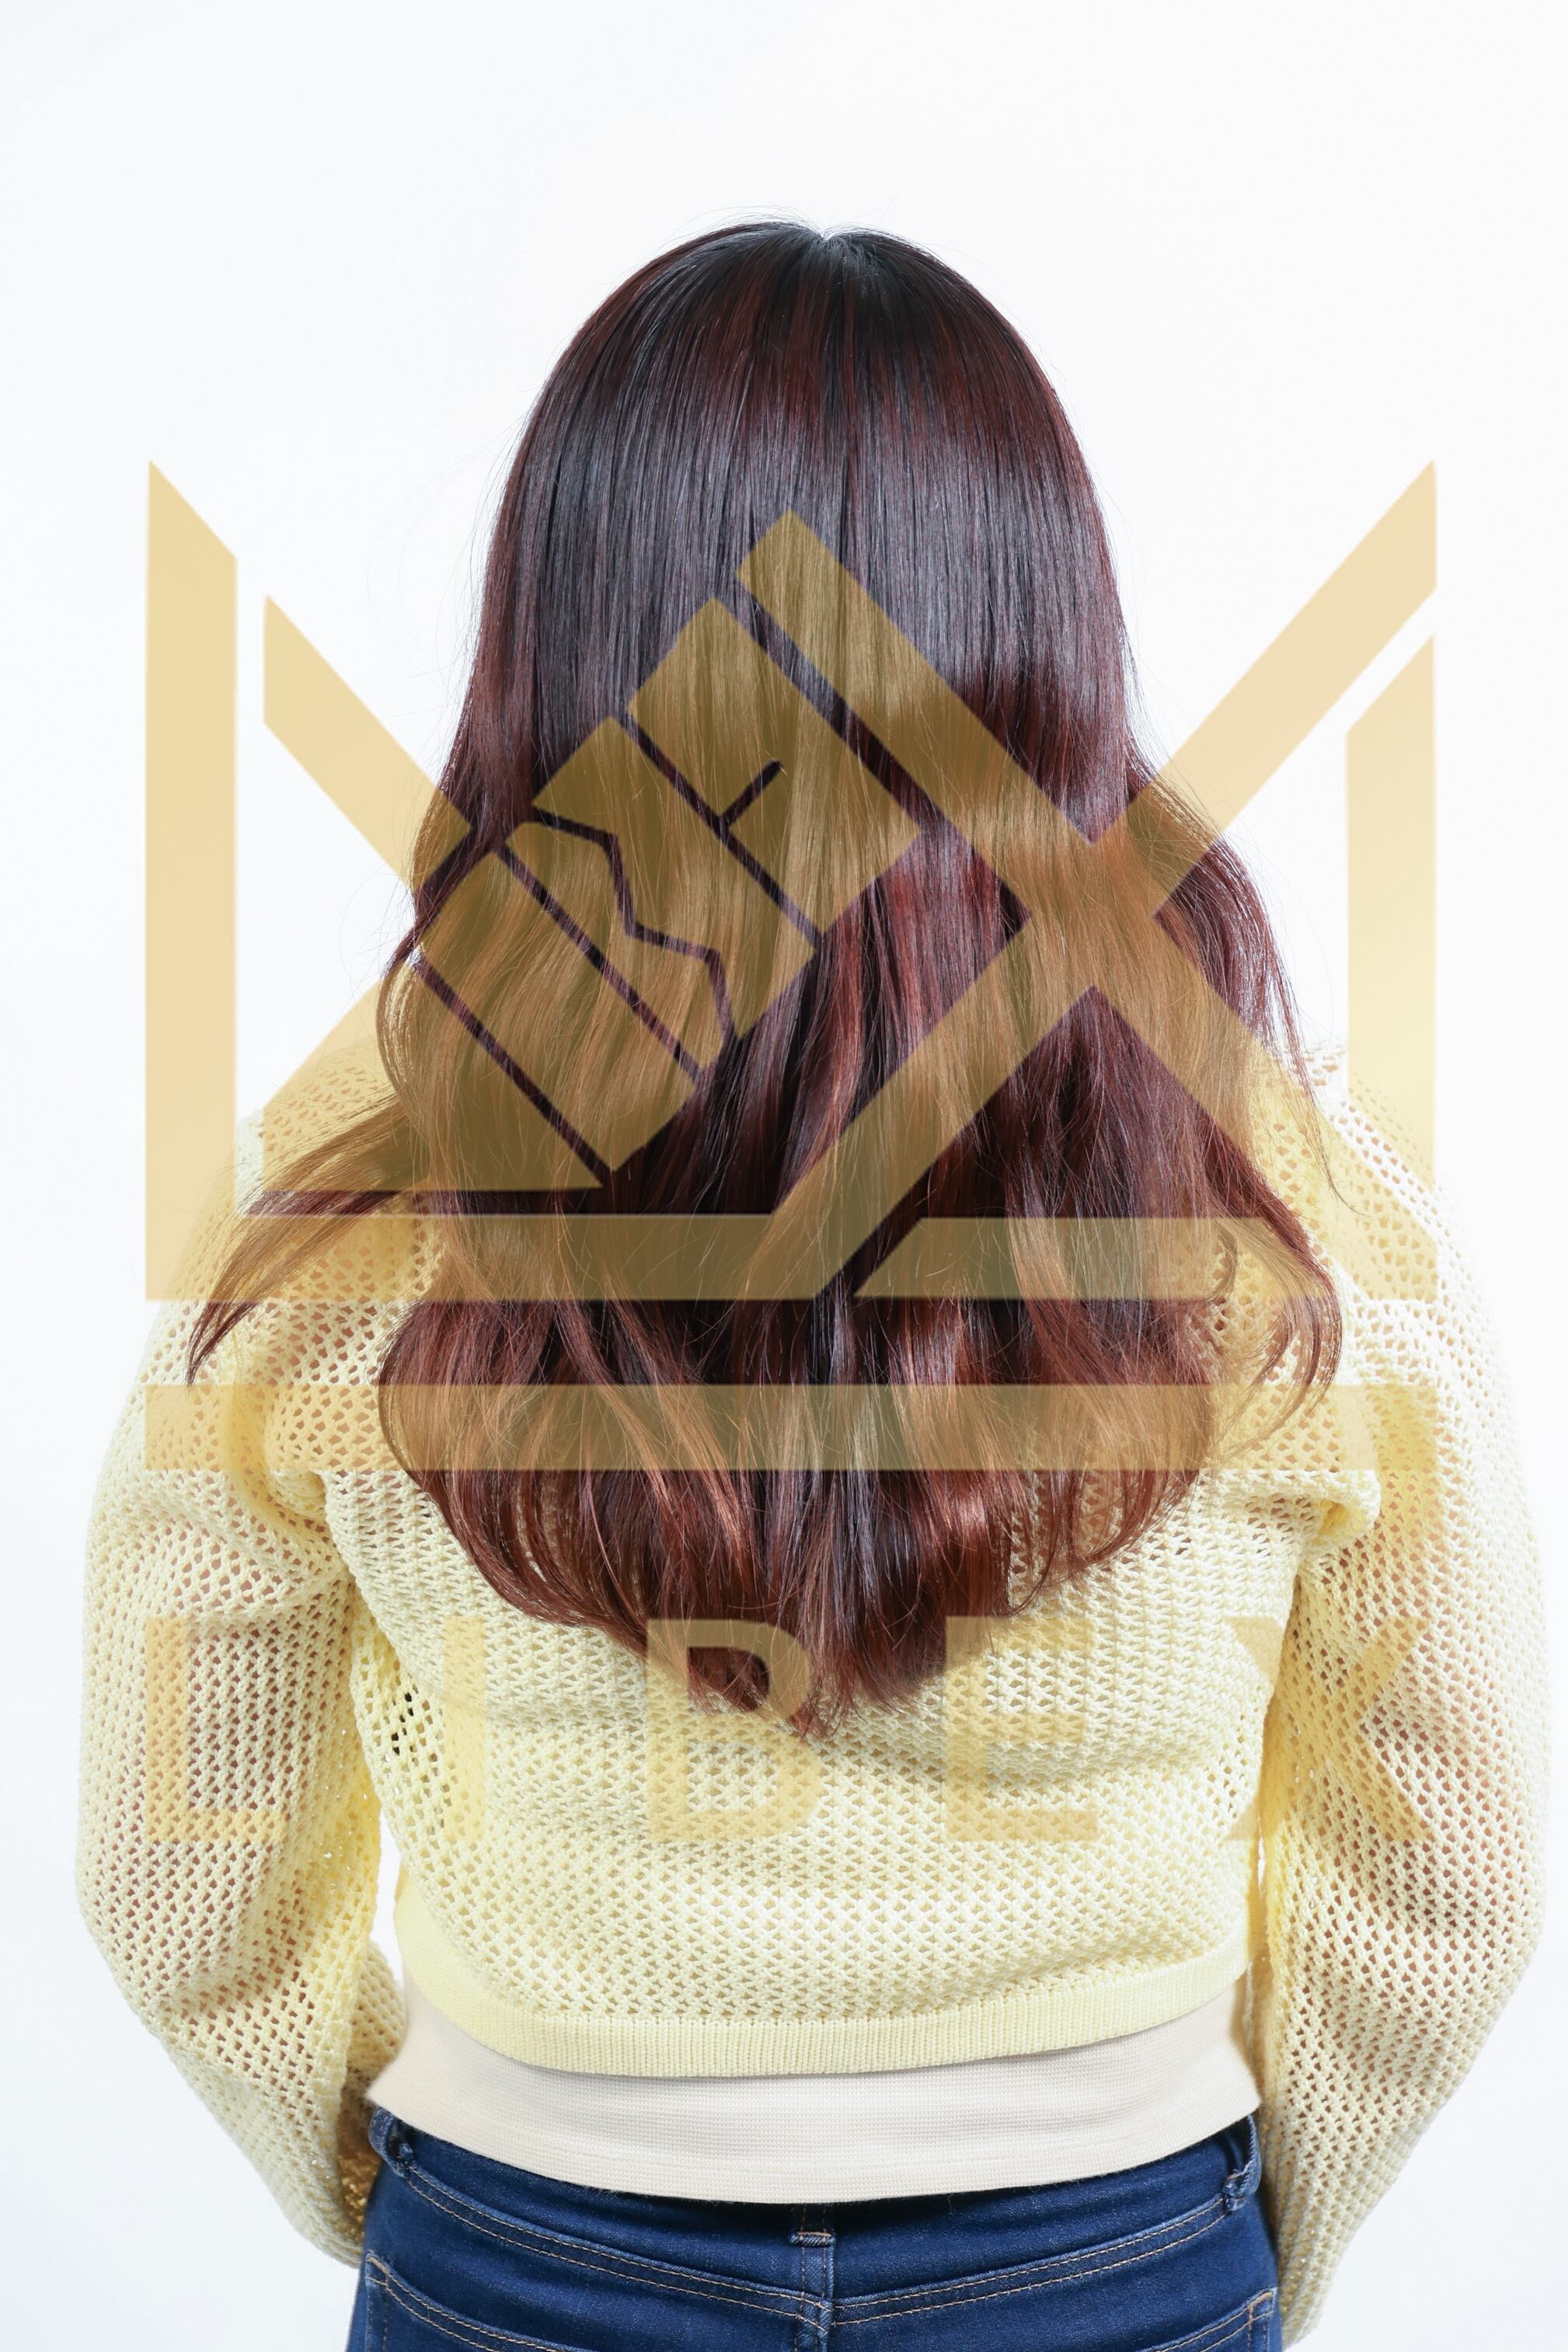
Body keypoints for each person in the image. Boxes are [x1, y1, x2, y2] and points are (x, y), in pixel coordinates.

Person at [77, 221, 1549, 2352]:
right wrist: (1222, 2246)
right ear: (1043, 651)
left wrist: (401, 2180)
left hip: (526, 2244)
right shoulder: (1292, 1196)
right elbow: (1447, 1862)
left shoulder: (353, 1193)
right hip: (1114, 2244)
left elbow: (175, 1850)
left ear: (561, 653)